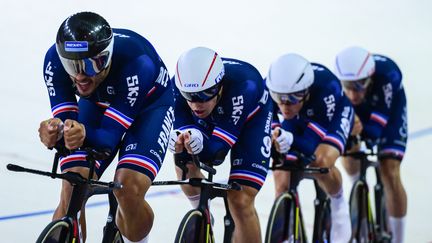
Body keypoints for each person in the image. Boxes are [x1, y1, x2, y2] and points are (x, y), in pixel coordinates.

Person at [38, 12, 173, 243]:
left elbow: (108, 139)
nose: (80, 75)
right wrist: (54, 132)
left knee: (127, 187)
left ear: (107, 57)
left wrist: (83, 134)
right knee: (72, 186)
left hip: (150, 109)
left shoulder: (138, 62)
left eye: (91, 65)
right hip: (98, 103)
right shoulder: (53, 61)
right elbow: (67, 125)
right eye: (72, 65)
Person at [168, 47, 273, 242]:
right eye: (189, 96)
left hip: (251, 121)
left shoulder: (245, 85)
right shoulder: (177, 86)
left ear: (220, 85)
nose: (196, 104)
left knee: (240, 200)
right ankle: (204, 214)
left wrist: (200, 142)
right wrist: (184, 138)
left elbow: (217, 151)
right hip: (216, 115)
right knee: (183, 157)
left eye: (205, 94)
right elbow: (181, 128)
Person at [266, 53, 354, 243]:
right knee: (282, 174)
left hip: (331, 116)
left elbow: (310, 144)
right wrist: (276, 133)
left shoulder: (326, 87)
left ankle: (339, 206)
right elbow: (269, 119)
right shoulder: (270, 87)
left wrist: (289, 139)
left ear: (305, 91)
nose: (284, 106)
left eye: (292, 99)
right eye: (279, 98)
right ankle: (285, 232)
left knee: (320, 161)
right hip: (299, 119)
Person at [335, 46, 408, 243]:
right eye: (347, 86)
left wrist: (365, 137)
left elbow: (379, 122)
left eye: (358, 85)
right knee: (349, 152)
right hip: (361, 112)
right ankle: (358, 193)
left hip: (389, 112)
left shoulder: (388, 74)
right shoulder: (339, 88)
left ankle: (398, 239)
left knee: (389, 171)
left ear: (370, 77)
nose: (352, 93)